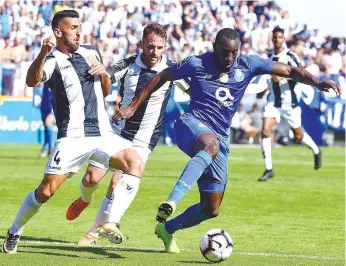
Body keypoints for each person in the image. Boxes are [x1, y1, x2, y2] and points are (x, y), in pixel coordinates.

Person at [114, 28, 341, 253]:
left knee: (210, 209)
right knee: (209, 145)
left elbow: (290, 70)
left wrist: (317, 82)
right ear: (214, 47)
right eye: (225, 52)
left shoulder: (249, 64)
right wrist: (133, 106)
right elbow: (162, 76)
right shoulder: (196, 63)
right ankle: (171, 202)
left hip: (220, 137)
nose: (230, 57)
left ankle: (166, 230)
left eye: (234, 52)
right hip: (190, 124)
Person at [2, 10, 143, 255]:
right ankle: (15, 230)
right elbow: (31, 81)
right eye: (73, 28)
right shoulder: (51, 59)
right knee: (46, 191)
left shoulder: (91, 52)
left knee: (134, 163)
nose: (79, 32)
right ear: (58, 32)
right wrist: (42, 53)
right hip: (72, 137)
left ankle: (111, 221)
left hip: (102, 133)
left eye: (80, 27)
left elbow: (106, 90)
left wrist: (104, 74)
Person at [65, 23, 189, 246]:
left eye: (160, 48)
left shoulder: (172, 71)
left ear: (166, 47)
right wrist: (101, 72)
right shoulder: (129, 65)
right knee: (91, 178)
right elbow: (106, 79)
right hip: (118, 133)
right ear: (141, 44)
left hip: (143, 140)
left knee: (116, 182)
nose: (154, 52)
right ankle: (85, 199)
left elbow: (194, 89)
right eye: (150, 46)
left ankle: (93, 233)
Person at [258, 27, 323, 181]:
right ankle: (269, 169)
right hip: (273, 101)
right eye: (274, 37)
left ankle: (316, 150)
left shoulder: (289, 56)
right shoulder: (270, 57)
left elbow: (301, 74)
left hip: (289, 103)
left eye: (279, 37)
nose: (276, 40)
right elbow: (271, 80)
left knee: (298, 135)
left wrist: (282, 78)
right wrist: (265, 89)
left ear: (283, 39)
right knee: (265, 131)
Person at [40, 83, 55, 157]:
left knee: (48, 122)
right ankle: (46, 146)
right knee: (46, 126)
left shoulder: (58, 77)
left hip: (53, 106)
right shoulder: (46, 77)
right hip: (44, 104)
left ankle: (51, 148)